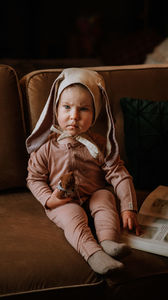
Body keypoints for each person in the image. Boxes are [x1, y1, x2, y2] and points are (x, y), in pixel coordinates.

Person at [26, 68, 140, 275]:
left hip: (93, 192)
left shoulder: (99, 145)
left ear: (95, 113)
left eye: (84, 109)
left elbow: (119, 173)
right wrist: (49, 200)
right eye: (67, 107)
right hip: (62, 199)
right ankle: (94, 254)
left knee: (105, 196)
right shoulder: (47, 147)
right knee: (73, 214)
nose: (74, 116)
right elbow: (34, 178)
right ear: (56, 109)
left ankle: (108, 241)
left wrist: (128, 207)